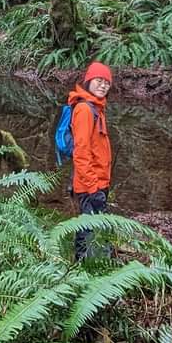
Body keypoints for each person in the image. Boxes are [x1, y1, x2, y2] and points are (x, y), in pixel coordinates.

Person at [69, 61, 113, 260]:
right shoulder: (85, 110)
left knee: (95, 227)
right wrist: (93, 187)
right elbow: (82, 152)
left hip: (98, 183)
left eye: (107, 82)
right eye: (99, 80)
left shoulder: (97, 108)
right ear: (89, 81)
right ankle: (81, 268)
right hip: (90, 185)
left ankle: (97, 263)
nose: (103, 85)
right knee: (87, 229)